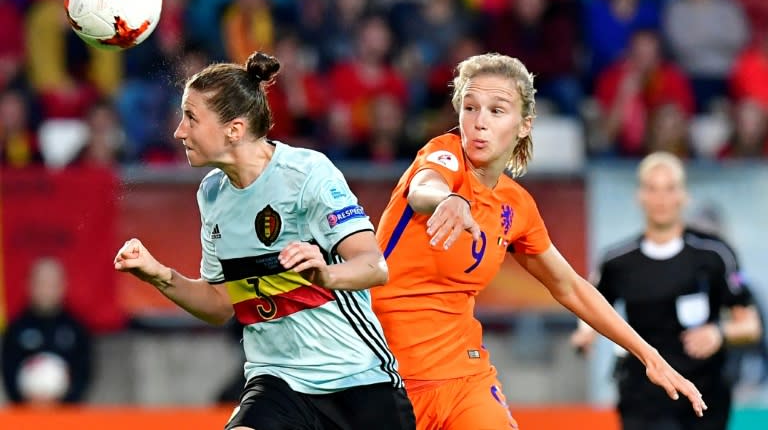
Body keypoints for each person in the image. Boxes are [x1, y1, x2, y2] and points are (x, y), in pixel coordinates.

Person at [370, 53, 707, 430]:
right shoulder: (443, 154)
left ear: (524, 125)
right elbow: (422, 188)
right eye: (470, 108)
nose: (479, 123)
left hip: (464, 379)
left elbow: (571, 287)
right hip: (388, 375)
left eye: (497, 111)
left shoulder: (516, 206)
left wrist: (648, 355)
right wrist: (447, 199)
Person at [113, 51, 415, 430]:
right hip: (277, 383)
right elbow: (222, 303)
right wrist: (158, 275)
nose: (179, 131)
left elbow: (374, 265)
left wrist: (326, 276)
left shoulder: (306, 174)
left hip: (357, 382)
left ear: (234, 130)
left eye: (191, 118)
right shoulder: (212, 194)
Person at [571, 151, 762, 430]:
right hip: (642, 394)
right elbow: (590, 304)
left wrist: (719, 333)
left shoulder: (714, 254)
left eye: (669, 188)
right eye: (652, 189)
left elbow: (750, 325)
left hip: (703, 394)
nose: (661, 199)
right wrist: (585, 333)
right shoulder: (617, 261)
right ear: (640, 196)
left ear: (684, 196)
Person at [1, 257, 93, 404]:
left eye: (52, 283)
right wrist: (24, 402)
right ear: (29, 285)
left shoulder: (77, 328)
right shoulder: (16, 328)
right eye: (41, 283)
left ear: (63, 285)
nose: (46, 289)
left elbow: (84, 373)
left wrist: (65, 402)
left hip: (67, 416)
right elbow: (8, 371)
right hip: (24, 415)